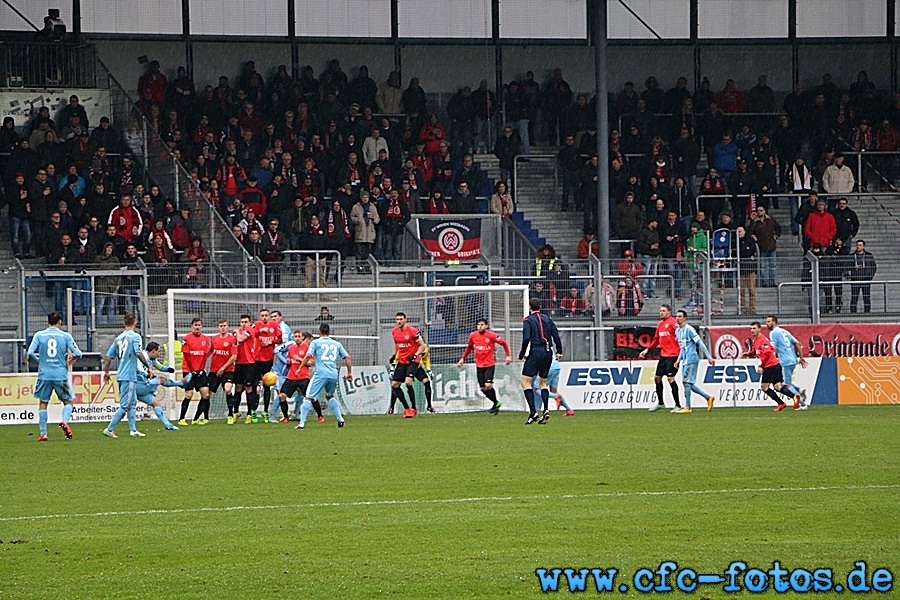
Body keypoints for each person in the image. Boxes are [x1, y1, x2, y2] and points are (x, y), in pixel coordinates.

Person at [27, 311, 82, 441]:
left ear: (48, 322)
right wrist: (74, 358)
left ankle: (43, 434)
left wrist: (40, 361)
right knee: (67, 402)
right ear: (60, 322)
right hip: (60, 375)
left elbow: (30, 352)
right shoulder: (65, 336)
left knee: (43, 403)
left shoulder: (40, 335)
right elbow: (78, 353)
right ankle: (64, 421)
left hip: (44, 375)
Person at [102, 313, 153, 438]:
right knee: (125, 405)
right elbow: (139, 353)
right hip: (129, 376)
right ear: (135, 323)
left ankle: (133, 430)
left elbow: (108, 357)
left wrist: (107, 372)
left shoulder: (118, 338)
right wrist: (148, 367)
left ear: (124, 323)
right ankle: (109, 429)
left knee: (133, 402)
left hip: (121, 374)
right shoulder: (135, 337)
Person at [295, 323, 352, 429]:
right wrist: (349, 373)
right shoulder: (337, 344)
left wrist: (300, 367)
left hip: (321, 373)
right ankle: (340, 419)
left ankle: (301, 423)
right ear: (329, 332)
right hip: (333, 374)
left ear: (319, 332)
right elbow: (347, 357)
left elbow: (308, 355)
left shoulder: (316, 342)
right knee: (330, 396)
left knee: (308, 397)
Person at [518, 297, 563, 425]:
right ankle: (546, 410)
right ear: (540, 307)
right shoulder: (548, 319)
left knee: (526, 381)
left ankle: (533, 413)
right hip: (548, 352)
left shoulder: (527, 320)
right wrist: (559, 351)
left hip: (536, 350)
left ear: (530, 307)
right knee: (543, 383)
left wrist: (522, 354)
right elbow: (556, 335)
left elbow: (526, 338)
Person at [456, 318, 512, 414]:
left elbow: (504, 343)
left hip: (489, 364)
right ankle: (496, 403)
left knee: (488, 385)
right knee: (482, 388)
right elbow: (469, 347)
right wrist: (462, 358)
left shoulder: (491, 335)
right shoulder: (473, 335)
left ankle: (495, 404)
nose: (480, 326)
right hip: (479, 365)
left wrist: (508, 356)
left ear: (486, 326)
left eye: (482, 324)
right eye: (478, 325)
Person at [638, 304, 683, 412]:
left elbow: (681, 333)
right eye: (660, 311)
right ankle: (661, 403)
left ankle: (678, 405)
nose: (661, 313)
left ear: (669, 312)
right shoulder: (660, 324)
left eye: (663, 311)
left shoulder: (673, 322)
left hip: (673, 355)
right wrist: (647, 350)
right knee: (657, 378)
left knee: (670, 378)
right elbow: (656, 340)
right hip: (664, 355)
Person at [136, 341, 187, 431]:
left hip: (142, 389)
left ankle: (168, 425)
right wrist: (147, 374)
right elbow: (139, 368)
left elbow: (159, 367)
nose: (159, 354)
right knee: (161, 379)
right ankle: (180, 384)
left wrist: (168, 369)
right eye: (158, 352)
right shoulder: (142, 357)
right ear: (153, 351)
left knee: (156, 403)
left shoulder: (152, 359)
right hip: (138, 385)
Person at [389, 312, 432, 416]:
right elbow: (397, 345)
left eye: (400, 319)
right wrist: (394, 355)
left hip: (413, 361)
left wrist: (415, 355)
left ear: (405, 320)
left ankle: (414, 408)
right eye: (397, 319)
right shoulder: (394, 331)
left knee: (408, 382)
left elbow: (422, 345)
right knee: (394, 385)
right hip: (402, 361)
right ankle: (407, 408)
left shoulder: (413, 331)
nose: (399, 321)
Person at [673, 309, 716, 413]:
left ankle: (688, 407)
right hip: (685, 360)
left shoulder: (689, 329)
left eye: (679, 316)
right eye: (676, 316)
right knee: (688, 383)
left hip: (692, 358)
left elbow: (700, 343)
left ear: (684, 318)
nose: (677, 318)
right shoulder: (677, 331)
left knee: (686, 382)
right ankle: (708, 398)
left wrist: (709, 357)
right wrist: (678, 360)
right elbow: (682, 348)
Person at [743, 321, 790, 412]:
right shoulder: (756, 339)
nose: (752, 330)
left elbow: (768, 353)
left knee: (764, 387)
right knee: (777, 386)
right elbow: (757, 351)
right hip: (775, 365)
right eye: (751, 328)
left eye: (754, 328)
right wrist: (749, 354)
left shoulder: (762, 340)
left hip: (770, 366)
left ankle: (781, 403)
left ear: (760, 329)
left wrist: (761, 366)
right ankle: (794, 396)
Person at [765, 316, 809, 410]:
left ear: (774, 322)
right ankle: (799, 392)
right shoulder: (784, 331)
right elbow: (797, 343)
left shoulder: (773, 333)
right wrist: (801, 357)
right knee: (786, 383)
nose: (767, 324)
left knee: (785, 385)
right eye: (766, 322)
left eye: (769, 321)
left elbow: (773, 348)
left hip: (785, 361)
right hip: (793, 360)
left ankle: (801, 402)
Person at [176, 317, 211, 426]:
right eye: (195, 325)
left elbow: (205, 355)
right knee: (189, 394)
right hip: (189, 370)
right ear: (192, 326)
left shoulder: (206, 339)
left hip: (200, 371)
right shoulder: (186, 339)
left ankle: (198, 418)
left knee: (206, 394)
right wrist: (193, 370)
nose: (197, 327)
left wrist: (200, 369)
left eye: (199, 325)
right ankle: (181, 419)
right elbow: (186, 356)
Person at [253, 309, 283, 421]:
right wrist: (260, 330)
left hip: (268, 359)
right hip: (256, 359)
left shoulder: (275, 325)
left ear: (269, 317)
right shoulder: (256, 325)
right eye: (262, 315)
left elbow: (280, 339)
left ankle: (266, 411)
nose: (264, 317)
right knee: (256, 387)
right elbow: (251, 335)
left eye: (266, 315)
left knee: (267, 387)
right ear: (260, 317)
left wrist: (270, 342)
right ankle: (254, 411)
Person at [208, 319, 239, 424]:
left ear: (228, 326)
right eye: (221, 326)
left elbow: (234, 356)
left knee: (227, 389)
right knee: (207, 393)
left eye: (224, 325)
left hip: (228, 370)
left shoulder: (232, 339)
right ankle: (204, 417)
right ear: (218, 327)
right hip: (214, 370)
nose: (223, 327)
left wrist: (223, 368)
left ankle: (230, 414)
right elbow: (210, 351)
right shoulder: (214, 339)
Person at [234, 314, 261, 423]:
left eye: (246, 322)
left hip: (249, 363)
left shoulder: (250, 330)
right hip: (239, 363)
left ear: (250, 323)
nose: (244, 324)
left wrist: (236, 332)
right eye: (242, 322)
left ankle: (250, 414)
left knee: (249, 388)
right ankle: (235, 412)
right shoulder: (239, 331)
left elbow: (240, 339)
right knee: (238, 387)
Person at [848, 240, 877, 314]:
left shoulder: (869, 255)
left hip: (865, 279)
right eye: (857, 245)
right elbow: (846, 267)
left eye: (860, 245)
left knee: (866, 297)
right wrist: (853, 268)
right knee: (854, 298)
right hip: (855, 279)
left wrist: (870, 277)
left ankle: (867, 312)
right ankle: (853, 313)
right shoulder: (851, 256)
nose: (858, 246)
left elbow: (874, 267)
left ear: (863, 246)